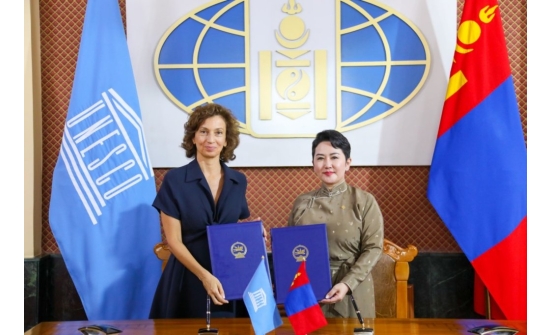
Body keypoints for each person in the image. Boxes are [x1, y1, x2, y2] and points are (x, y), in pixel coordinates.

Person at [149, 103, 251, 319]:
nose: (210, 139)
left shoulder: (238, 181)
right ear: (193, 137)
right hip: (186, 278)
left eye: (218, 133)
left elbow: (234, 230)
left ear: (226, 140)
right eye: (203, 131)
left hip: (229, 277)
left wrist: (252, 236)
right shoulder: (174, 180)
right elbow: (174, 241)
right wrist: (204, 276)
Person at [287, 129, 384, 319]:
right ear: (313, 163)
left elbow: (373, 248)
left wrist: (347, 283)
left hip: (351, 289)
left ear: (348, 163)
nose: (327, 164)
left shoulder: (364, 201)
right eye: (320, 158)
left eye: (334, 157)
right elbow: (290, 249)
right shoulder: (302, 202)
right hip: (309, 292)